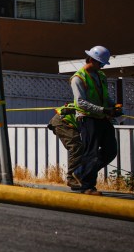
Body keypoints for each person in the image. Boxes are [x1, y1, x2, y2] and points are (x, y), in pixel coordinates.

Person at [50, 45, 121, 194]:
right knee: (90, 152)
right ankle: (87, 185)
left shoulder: (101, 76)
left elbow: (105, 97)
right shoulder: (78, 78)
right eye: (100, 63)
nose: (101, 66)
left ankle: (81, 173)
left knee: (110, 151)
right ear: (91, 59)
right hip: (87, 118)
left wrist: (113, 106)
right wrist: (103, 110)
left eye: (103, 64)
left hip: (102, 118)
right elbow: (80, 102)